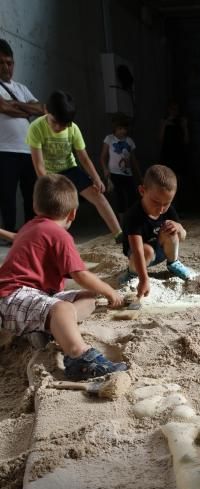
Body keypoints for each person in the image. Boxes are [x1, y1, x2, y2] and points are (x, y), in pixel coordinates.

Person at [0, 174, 127, 378]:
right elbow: (81, 274)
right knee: (63, 308)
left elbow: (19, 238)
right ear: (73, 214)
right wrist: (110, 291)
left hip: (29, 299)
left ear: (35, 206)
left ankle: (48, 328)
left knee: (87, 297)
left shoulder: (30, 226)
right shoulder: (59, 235)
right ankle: (78, 357)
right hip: (13, 296)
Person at [26, 90, 122, 241]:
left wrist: (97, 178)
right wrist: (49, 186)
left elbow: (83, 157)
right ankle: (50, 240)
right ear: (45, 110)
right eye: (54, 122)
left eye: (63, 125)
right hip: (49, 174)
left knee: (99, 197)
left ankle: (119, 234)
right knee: (53, 208)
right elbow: (38, 165)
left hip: (70, 169)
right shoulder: (35, 128)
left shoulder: (73, 128)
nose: (58, 128)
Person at [119, 164, 192, 296]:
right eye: (156, 202)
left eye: (167, 203)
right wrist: (143, 278)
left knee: (172, 230)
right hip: (139, 256)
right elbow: (137, 249)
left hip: (161, 251)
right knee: (146, 250)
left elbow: (183, 236)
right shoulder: (133, 215)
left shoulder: (167, 210)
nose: (161, 208)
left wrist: (179, 227)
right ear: (142, 191)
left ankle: (173, 263)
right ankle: (132, 273)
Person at [0, 39, 44, 235]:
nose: (5, 67)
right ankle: (8, 233)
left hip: (28, 150)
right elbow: (2, 107)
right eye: (0, 63)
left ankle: (30, 233)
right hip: (4, 150)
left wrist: (16, 106)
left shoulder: (21, 88)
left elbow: (42, 109)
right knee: (6, 196)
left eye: (9, 63)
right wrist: (27, 110)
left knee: (32, 195)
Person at [100, 112, 141, 235]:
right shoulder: (109, 139)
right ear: (115, 128)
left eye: (124, 128)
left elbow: (134, 160)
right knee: (121, 200)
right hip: (115, 174)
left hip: (128, 175)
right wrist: (105, 170)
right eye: (120, 129)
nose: (122, 131)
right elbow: (103, 157)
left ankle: (133, 223)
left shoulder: (130, 141)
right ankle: (122, 228)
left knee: (133, 199)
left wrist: (140, 176)